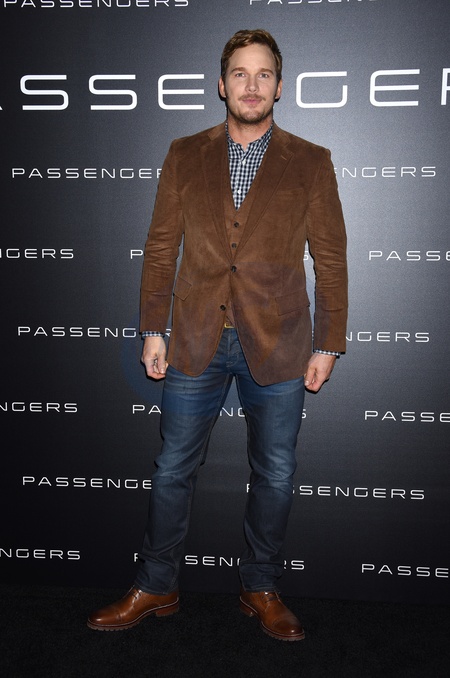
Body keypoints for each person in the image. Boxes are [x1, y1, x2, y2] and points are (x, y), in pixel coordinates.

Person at [88, 28, 347, 641]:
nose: (251, 85)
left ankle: (260, 587)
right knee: (171, 468)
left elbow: (330, 258)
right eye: (240, 73)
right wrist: (153, 328)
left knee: (275, 472)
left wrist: (328, 342)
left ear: (279, 88)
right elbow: (160, 248)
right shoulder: (185, 153)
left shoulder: (311, 160)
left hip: (280, 341)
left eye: (263, 74)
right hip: (195, 337)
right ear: (222, 84)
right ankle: (157, 585)